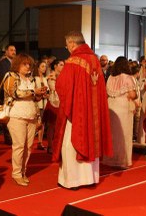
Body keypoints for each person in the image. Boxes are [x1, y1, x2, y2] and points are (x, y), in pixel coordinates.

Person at [53, 31, 113, 190]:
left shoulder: (73, 61)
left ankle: (73, 181)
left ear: (72, 43)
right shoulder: (94, 60)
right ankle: (90, 178)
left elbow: (62, 86)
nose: (67, 48)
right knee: (90, 139)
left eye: (67, 45)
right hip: (92, 112)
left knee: (69, 145)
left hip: (77, 111)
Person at [3, 53, 46, 186]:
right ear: (18, 64)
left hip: (31, 115)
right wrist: (34, 92)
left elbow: (33, 99)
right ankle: (16, 173)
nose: (27, 67)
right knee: (19, 146)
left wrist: (40, 95)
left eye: (29, 64)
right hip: (16, 115)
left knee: (29, 147)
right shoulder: (10, 76)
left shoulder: (31, 79)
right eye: (24, 64)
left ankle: (23, 171)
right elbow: (14, 93)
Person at [103, 57, 137, 169]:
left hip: (111, 104)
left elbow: (106, 92)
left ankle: (110, 158)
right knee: (123, 133)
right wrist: (135, 96)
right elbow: (132, 95)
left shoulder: (110, 78)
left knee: (112, 133)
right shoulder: (128, 78)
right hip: (122, 105)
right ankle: (122, 160)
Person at [43, 59, 64, 154]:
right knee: (51, 125)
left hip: (62, 102)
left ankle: (58, 145)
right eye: (61, 64)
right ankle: (50, 145)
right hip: (53, 102)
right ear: (55, 66)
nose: (63, 66)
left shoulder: (63, 75)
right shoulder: (52, 75)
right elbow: (54, 88)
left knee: (60, 126)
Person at [0, 44, 16, 145]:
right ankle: (8, 137)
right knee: (6, 114)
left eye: (14, 50)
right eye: (11, 50)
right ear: (6, 52)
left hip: (15, 92)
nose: (13, 52)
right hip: (6, 91)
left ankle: (13, 136)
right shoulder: (2, 63)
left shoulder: (16, 62)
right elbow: (4, 76)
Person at [33, 60, 49, 150]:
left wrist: (46, 94)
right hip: (37, 103)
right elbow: (33, 91)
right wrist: (40, 93)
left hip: (44, 102)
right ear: (38, 68)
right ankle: (31, 140)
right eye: (42, 66)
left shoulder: (45, 78)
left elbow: (48, 90)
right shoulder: (34, 78)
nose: (44, 68)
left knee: (42, 123)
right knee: (37, 123)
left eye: (45, 66)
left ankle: (40, 142)